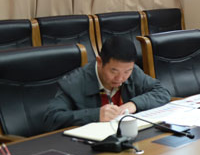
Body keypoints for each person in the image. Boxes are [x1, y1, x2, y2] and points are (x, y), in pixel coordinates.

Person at [43, 36, 171, 131]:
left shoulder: (134, 73)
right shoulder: (75, 82)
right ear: (99, 62)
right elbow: (51, 118)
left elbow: (162, 92)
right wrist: (95, 115)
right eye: (113, 71)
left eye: (127, 71)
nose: (120, 78)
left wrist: (133, 104)